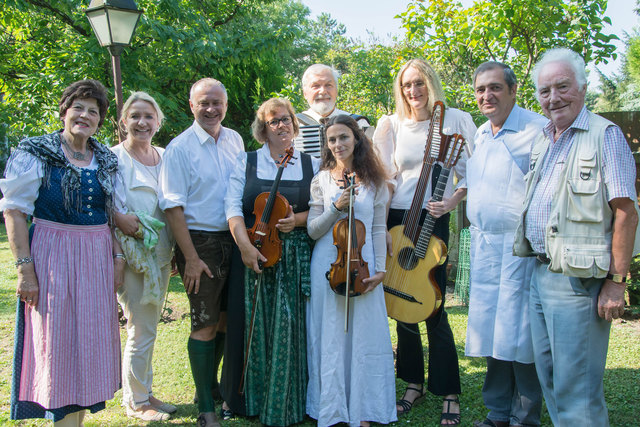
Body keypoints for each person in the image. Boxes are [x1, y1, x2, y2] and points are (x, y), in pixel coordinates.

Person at [513, 48, 640, 426]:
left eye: (563, 86)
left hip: (578, 282)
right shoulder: (543, 138)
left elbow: (626, 212)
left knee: (577, 390)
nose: (554, 98)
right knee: (551, 381)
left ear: (583, 88)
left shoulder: (605, 136)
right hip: (540, 273)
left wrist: (616, 283)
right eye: (545, 90)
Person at [1, 79, 122, 426]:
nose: (85, 115)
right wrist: (25, 269)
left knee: (89, 344)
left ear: (100, 120)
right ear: (65, 111)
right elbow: (15, 211)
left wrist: (117, 259)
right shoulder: (36, 152)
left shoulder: (106, 159)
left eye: (93, 111)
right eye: (78, 107)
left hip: (96, 259)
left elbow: (112, 214)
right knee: (58, 347)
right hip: (53, 257)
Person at [373, 58, 476, 426]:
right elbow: (385, 177)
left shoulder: (457, 120)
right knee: (401, 304)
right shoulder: (391, 125)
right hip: (398, 217)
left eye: (419, 83)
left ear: (430, 83)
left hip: (434, 216)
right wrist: (381, 223)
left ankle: (448, 390)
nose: (413, 91)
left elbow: (471, 173)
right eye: (406, 85)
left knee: (432, 304)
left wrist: (451, 201)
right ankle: (412, 383)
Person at [225, 97, 318, 426]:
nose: (281, 125)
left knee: (292, 328)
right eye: (273, 121)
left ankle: (293, 400)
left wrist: (299, 220)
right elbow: (233, 208)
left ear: (294, 124)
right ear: (262, 130)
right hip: (255, 252)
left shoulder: (311, 163)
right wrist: (245, 247)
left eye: (286, 119)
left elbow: (324, 208)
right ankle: (251, 399)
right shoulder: (247, 161)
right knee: (256, 326)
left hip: (295, 256)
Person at [464, 62, 547, 427]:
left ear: (513, 90)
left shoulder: (538, 129)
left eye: (495, 87)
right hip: (484, 249)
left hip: (520, 251)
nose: (487, 96)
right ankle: (497, 412)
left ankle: (524, 417)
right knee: (493, 335)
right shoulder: (481, 133)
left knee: (522, 336)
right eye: (481, 89)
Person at [158, 78, 244, 427]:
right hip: (200, 243)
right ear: (191, 105)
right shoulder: (180, 148)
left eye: (217, 102)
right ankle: (206, 408)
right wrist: (190, 258)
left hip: (233, 240)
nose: (211, 109)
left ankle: (210, 388)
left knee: (224, 319)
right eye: (204, 102)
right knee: (204, 323)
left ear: (225, 104)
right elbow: (172, 208)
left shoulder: (235, 140)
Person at [306, 114, 396, 427]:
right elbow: (313, 230)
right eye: (332, 140)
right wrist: (336, 207)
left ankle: (364, 408)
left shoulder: (375, 179)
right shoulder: (321, 180)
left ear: (356, 138)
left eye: (343, 137)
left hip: (365, 264)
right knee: (331, 335)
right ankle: (332, 409)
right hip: (329, 265)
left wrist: (381, 270)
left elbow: (375, 227)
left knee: (365, 337)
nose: (338, 144)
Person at [112, 91, 176, 421]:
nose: (142, 122)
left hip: (162, 255)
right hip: (133, 256)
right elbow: (108, 211)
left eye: (149, 116)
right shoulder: (114, 159)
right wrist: (118, 260)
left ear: (158, 123)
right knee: (140, 328)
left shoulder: (165, 157)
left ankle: (146, 392)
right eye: (135, 116)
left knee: (149, 327)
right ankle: (137, 402)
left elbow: (173, 208)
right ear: (124, 121)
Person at [294, 64, 372, 157]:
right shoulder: (293, 124)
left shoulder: (361, 123)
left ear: (337, 90)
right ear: (305, 93)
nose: (323, 91)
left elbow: (372, 161)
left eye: (328, 85)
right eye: (316, 86)